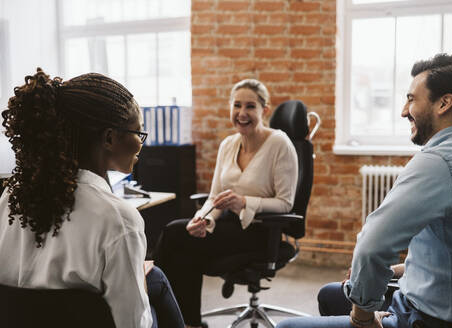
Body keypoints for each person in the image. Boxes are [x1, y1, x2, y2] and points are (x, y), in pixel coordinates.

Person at [277, 53, 452, 328]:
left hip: (425, 319)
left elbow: (371, 248)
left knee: (286, 327)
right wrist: (394, 271)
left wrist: (363, 318)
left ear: (444, 103)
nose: (404, 110)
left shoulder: (439, 163)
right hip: (451, 305)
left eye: (412, 99)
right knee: (330, 295)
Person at [0, 69, 184, 328]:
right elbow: (132, 324)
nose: (141, 144)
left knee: (155, 277)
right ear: (109, 138)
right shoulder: (118, 219)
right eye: (138, 134)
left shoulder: (13, 194)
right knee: (155, 281)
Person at [154, 79, 298, 328]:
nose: (242, 113)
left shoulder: (280, 144)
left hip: (261, 232)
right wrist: (204, 220)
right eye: (237, 105)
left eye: (250, 106)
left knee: (175, 235)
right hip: (227, 228)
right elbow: (214, 196)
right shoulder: (228, 145)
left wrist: (244, 202)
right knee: (183, 239)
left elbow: (285, 204)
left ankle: (172, 321)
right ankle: (183, 323)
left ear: (264, 110)